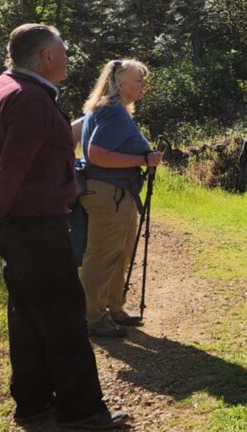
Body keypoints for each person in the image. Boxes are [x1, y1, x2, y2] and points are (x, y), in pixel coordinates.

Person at [0, 24, 129, 429]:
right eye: (63, 50)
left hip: (17, 224)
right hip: (35, 223)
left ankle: (32, 403)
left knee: (27, 315)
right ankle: (82, 411)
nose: (67, 57)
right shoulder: (29, 99)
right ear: (45, 56)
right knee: (64, 317)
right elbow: (10, 168)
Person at [77, 59, 162, 337]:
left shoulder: (110, 109)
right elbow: (97, 153)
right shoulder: (113, 111)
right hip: (108, 193)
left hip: (115, 192)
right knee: (102, 256)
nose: (143, 86)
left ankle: (112, 308)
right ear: (120, 82)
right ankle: (93, 318)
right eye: (139, 80)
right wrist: (143, 159)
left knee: (119, 252)